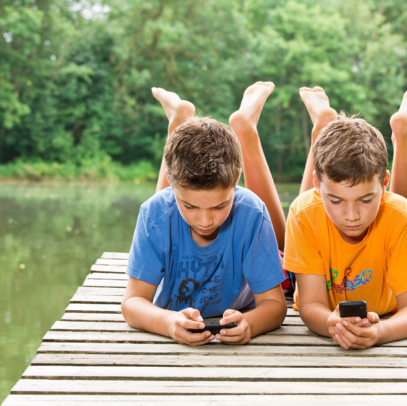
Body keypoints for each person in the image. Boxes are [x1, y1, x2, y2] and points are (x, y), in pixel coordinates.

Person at [121, 82, 288, 346]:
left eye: (220, 206)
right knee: (163, 206)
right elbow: (132, 303)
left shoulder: (250, 212)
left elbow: (275, 306)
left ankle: (180, 118)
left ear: (237, 182)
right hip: (167, 204)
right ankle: (178, 119)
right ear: (170, 184)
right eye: (190, 206)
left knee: (283, 245)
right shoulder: (153, 214)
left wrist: (251, 324)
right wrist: (168, 323)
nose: (205, 220)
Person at [283, 81, 407, 350]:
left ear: (385, 183)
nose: (351, 215)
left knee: (401, 211)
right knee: (306, 208)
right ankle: (322, 127)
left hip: (386, 304)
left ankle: (404, 135)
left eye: (366, 200)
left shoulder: (397, 214)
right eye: (337, 200)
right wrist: (329, 323)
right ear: (317, 186)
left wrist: (382, 331)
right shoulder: (303, 212)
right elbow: (310, 306)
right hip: (312, 207)